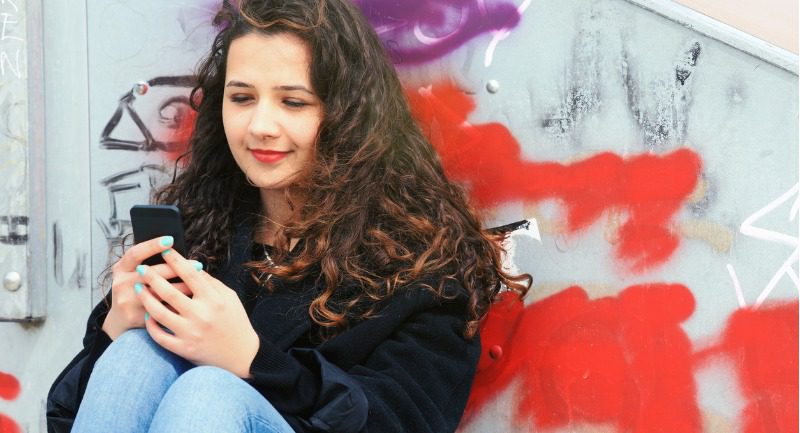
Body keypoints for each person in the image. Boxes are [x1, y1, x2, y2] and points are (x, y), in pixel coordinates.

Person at [46, 0, 530, 432]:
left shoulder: (422, 263)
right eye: (241, 98)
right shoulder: (202, 235)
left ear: (347, 113)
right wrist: (110, 332)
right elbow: (66, 420)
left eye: (293, 102)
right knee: (135, 355)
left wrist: (254, 362)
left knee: (209, 392)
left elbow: (402, 419)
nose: (259, 126)